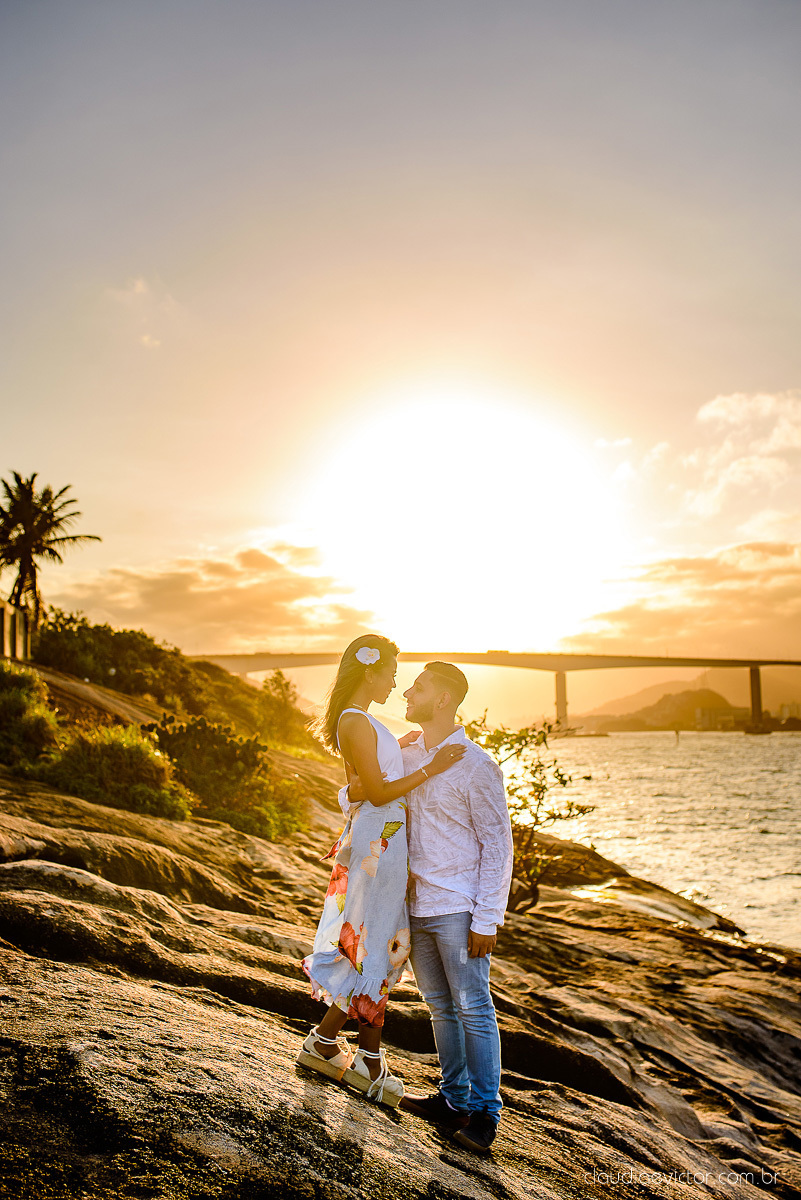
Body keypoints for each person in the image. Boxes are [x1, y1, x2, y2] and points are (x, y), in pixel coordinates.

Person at [347, 662, 514, 1153]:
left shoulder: (477, 764)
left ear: (443, 700)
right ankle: (452, 1097)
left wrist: (488, 918)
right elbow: (371, 792)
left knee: (475, 1008)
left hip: (460, 908)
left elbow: (497, 846)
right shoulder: (409, 752)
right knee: (441, 1007)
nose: (407, 692)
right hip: (416, 904)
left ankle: (485, 1115)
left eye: (418, 687)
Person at [297, 635, 466, 1108]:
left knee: (380, 947)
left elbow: (366, 783)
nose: (395, 681)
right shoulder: (355, 721)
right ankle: (358, 1055)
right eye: (392, 671)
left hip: (384, 844)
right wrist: (433, 767)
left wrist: (404, 744)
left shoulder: (365, 722)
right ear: (368, 672)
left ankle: (331, 1043)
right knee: (383, 948)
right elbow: (374, 791)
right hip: (379, 846)